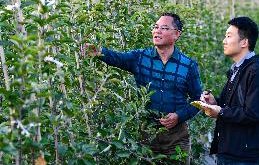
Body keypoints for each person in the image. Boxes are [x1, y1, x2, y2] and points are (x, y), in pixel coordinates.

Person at [83, 13, 202, 164]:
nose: (157, 31)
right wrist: (99, 52)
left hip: (176, 136)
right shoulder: (140, 58)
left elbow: (197, 100)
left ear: (176, 34)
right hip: (147, 133)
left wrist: (179, 116)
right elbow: (117, 58)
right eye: (155, 27)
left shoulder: (188, 65)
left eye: (164, 28)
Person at [201, 16, 259, 165]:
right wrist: (216, 102)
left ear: (244, 42)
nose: (224, 41)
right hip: (229, 148)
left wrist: (220, 112)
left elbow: (255, 113)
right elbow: (236, 105)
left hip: (243, 155)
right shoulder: (237, 69)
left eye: (228, 36)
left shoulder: (256, 71)